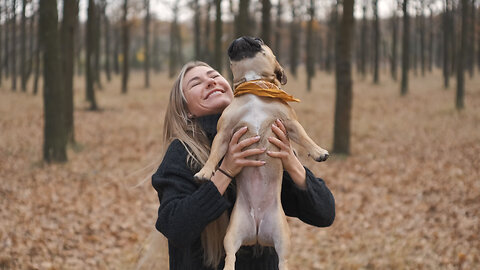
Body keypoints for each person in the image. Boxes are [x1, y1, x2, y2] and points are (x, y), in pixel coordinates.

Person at [152, 61, 335, 270]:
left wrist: (291, 162)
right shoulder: (182, 152)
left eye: (214, 75)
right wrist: (225, 172)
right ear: (186, 111)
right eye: (196, 83)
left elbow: (324, 213)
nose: (211, 82)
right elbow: (175, 227)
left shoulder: (263, 137)